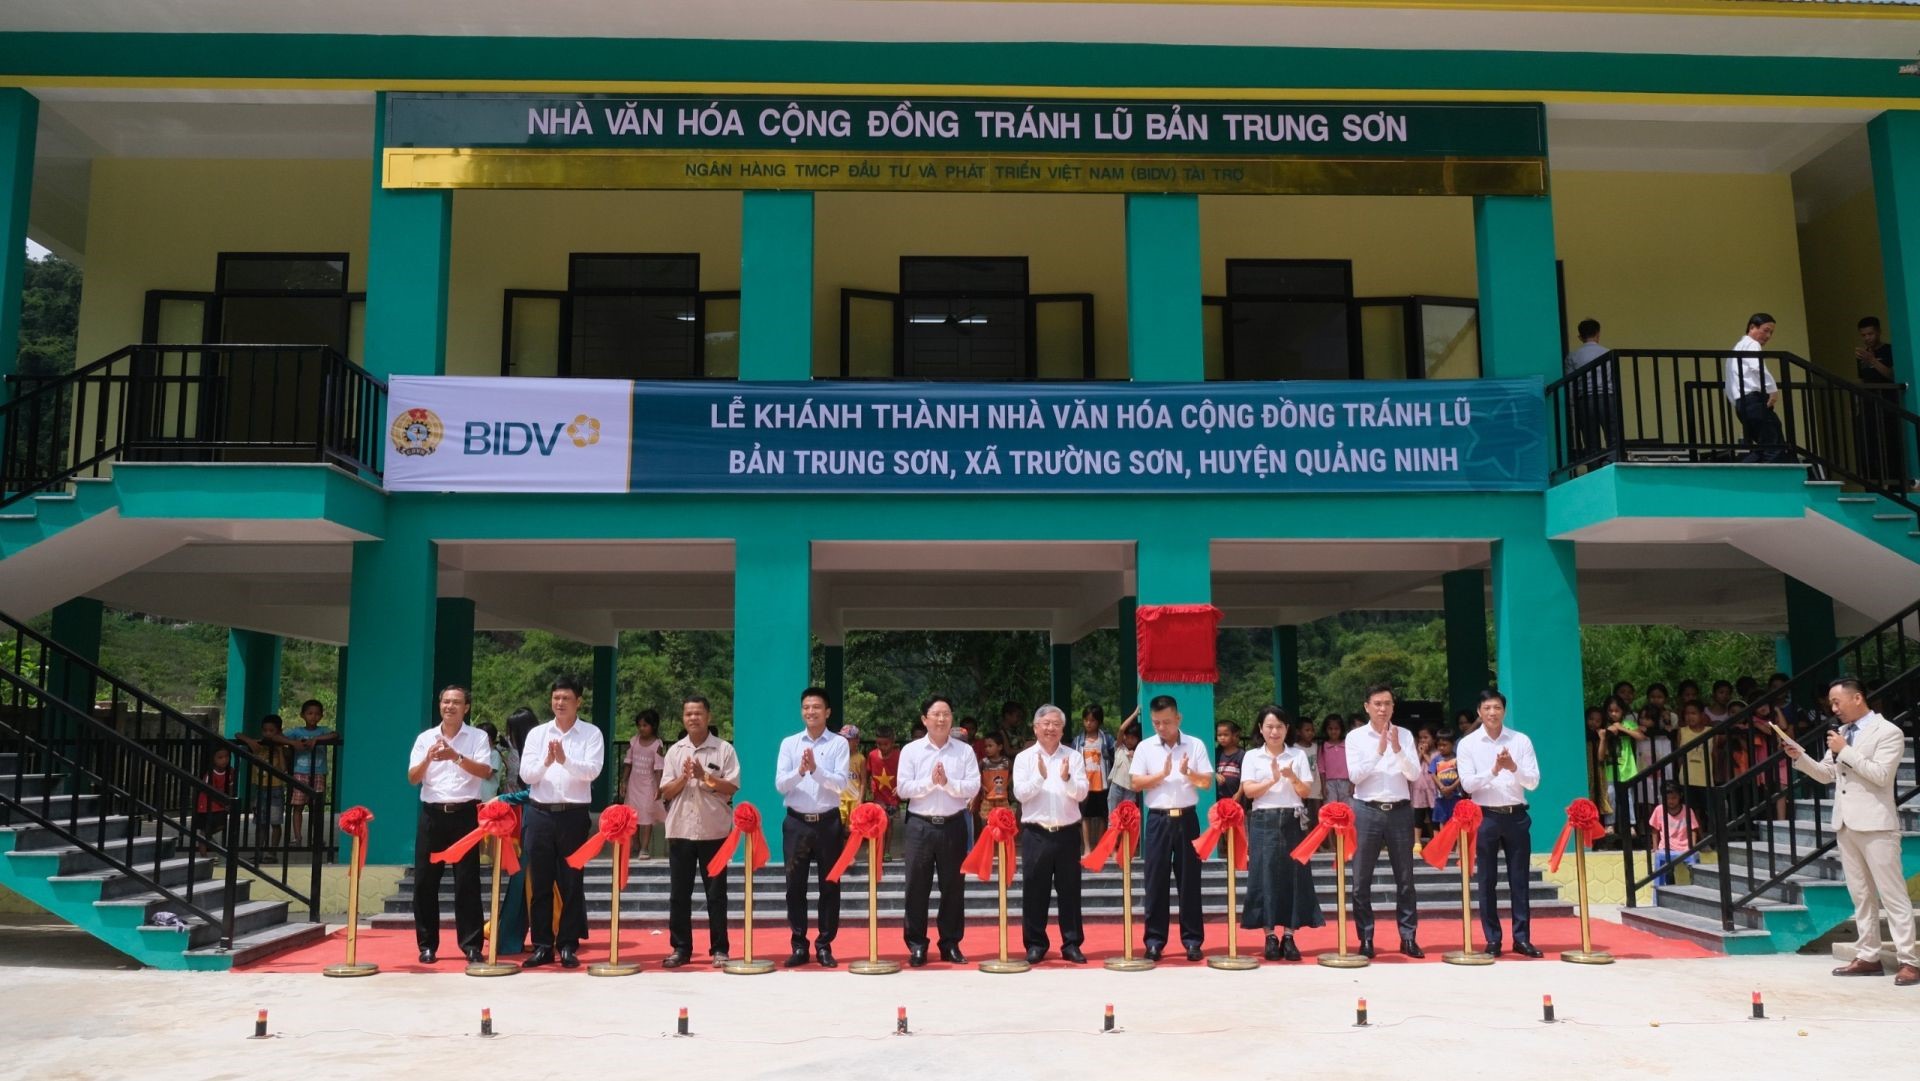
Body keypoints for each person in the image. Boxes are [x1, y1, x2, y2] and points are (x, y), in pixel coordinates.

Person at [1785, 678, 1918, 985]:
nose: (1833, 709)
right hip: (1846, 823)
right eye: (1831, 703)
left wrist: (1845, 750)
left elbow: (1881, 776)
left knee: (1893, 894)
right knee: (1861, 894)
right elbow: (1826, 774)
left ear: (1857, 698)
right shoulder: (1843, 734)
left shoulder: (1888, 732)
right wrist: (1799, 757)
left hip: (1877, 824)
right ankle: (1867, 955)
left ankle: (1909, 960)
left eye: (1836, 702)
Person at [517, 676, 604, 969]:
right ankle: (542, 944)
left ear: (578, 701)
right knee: (540, 881)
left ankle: (568, 943)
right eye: (556, 698)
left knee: (571, 881)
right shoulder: (538, 734)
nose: (560, 703)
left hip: (573, 814)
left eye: (566, 698)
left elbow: (592, 771)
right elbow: (527, 775)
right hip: (540, 813)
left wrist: (564, 759)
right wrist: (547, 761)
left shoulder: (591, 734)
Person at [407, 685, 493, 965]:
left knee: (467, 882)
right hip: (432, 815)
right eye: (445, 702)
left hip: (465, 815)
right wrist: (428, 759)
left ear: (466, 707)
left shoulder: (478, 737)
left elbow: (485, 771)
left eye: (456, 702)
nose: (449, 707)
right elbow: (412, 777)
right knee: (424, 882)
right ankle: (427, 945)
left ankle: (471, 945)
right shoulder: (425, 738)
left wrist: (455, 756)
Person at [1456, 689, 1542, 957]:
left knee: (1520, 880)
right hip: (1485, 817)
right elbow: (1468, 784)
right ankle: (1493, 939)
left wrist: (1512, 767)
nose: (1492, 713)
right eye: (1487, 708)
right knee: (1487, 879)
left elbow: (1533, 781)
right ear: (1479, 712)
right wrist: (1494, 769)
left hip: (1516, 815)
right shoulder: (1468, 744)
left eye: (1497, 708)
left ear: (1504, 711)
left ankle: (1522, 938)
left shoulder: (1520, 741)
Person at [896, 695, 981, 966]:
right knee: (916, 888)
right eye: (936, 714)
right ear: (924, 719)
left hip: (953, 825)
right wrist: (931, 783)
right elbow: (904, 789)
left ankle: (950, 943)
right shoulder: (911, 751)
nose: (942, 719)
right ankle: (917, 944)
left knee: (953, 887)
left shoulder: (964, 751)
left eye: (946, 713)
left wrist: (948, 782)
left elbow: (972, 787)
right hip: (920, 825)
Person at [1129, 694, 1214, 962]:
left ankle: (1192, 940)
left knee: (1190, 880)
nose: (1162, 727)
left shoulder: (1195, 744)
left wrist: (1189, 773)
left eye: (1166, 722)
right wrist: (1161, 776)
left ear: (1178, 718)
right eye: (1156, 723)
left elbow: (1207, 783)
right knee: (1155, 881)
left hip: (1187, 818)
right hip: (1157, 819)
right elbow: (1135, 784)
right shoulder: (1145, 747)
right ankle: (1155, 941)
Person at [658, 694, 741, 968]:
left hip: (713, 831)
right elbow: (665, 791)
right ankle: (681, 948)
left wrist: (704, 776)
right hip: (681, 829)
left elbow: (731, 787)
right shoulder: (675, 752)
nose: (693, 718)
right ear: (684, 718)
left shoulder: (723, 749)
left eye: (698, 713)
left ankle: (720, 948)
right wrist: (685, 776)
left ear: (708, 716)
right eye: (688, 714)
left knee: (716, 894)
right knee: (679, 893)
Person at [1238, 706, 1323, 961]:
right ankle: (1269, 936)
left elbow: (1306, 792)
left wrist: (1292, 776)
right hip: (1264, 819)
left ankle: (1289, 935)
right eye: (1269, 726)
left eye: (1280, 727)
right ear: (1261, 729)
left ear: (1287, 729)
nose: (1274, 732)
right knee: (1263, 875)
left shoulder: (1297, 754)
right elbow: (1249, 791)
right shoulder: (1252, 756)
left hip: (1292, 819)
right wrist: (1273, 780)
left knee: (1294, 876)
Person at [1346, 683, 1423, 958]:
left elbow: (1414, 775)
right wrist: (1379, 751)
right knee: (1360, 879)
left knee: (1405, 878)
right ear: (1367, 706)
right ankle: (1365, 938)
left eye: (1387, 703)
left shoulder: (1404, 734)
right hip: (1367, 809)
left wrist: (1398, 750)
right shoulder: (1355, 738)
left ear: (1393, 706)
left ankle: (1408, 936)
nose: (1382, 708)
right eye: (1377, 703)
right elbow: (1355, 776)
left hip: (1400, 810)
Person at [774, 687, 848, 969]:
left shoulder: (838, 744)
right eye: (806, 707)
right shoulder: (789, 744)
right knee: (795, 886)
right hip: (796, 823)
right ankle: (798, 944)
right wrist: (801, 771)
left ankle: (825, 945)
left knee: (830, 885)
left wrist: (816, 770)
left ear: (827, 712)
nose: (811, 712)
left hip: (828, 822)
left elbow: (841, 784)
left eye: (816, 707)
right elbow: (781, 785)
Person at [1013, 704, 1089, 964]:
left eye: (1056, 724)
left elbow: (1082, 793)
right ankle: (1035, 944)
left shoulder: (1074, 757)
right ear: (1035, 727)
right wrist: (1039, 778)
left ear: (1063, 728)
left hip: (1067, 833)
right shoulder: (1024, 758)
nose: (1050, 728)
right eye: (1045, 723)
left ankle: (1071, 944)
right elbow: (1020, 794)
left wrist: (1067, 778)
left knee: (1070, 891)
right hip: (1036, 833)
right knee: (1035, 891)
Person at [1852, 316, 1907, 488]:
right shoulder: (1862, 356)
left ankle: (1896, 485)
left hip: (1888, 404)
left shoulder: (1889, 351)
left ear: (1878, 332)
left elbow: (1892, 375)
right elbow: (1862, 380)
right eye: (1864, 335)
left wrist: (1873, 360)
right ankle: (1872, 484)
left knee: (1891, 444)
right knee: (1869, 445)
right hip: (1868, 405)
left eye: (1870, 334)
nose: (1867, 338)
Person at [1725, 312, 1787, 463]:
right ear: (1752, 327)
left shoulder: (1737, 348)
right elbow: (1757, 367)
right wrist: (1772, 390)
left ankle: (1741, 473)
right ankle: (1773, 481)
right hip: (1753, 400)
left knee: (1764, 445)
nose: (1768, 336)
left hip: (1742, 404)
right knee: (1773, 444)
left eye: (1771, 332)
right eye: (1765, 330)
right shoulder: (1752, 344)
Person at [283, 699, 339, 846]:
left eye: (317, 714)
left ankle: (317, 837)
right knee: (298, 806)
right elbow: (278, 736)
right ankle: (297, 837)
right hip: (299, 772)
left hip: (318, 773)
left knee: (317, 808)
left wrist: (316, 739)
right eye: (310, 713)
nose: (313, 717)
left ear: (321, 716)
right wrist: (293, 743)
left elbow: (335, 734)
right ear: (302, 715)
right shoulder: (296, 732)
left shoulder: (323, 731)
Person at [616, 709, 667, 859]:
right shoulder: (633, 741)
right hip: (634, 785)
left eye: (645, 725)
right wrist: (624, 781)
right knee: (632, 816)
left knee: (646, 817)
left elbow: (658, 768)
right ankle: (635, 843)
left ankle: (644, 848)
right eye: (639, 725)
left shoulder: (657, 745)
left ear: (653, 726)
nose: (641, 728)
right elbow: (628, 763)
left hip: (648, 785)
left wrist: (659, 787)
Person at [1564, 317, 1615, 459]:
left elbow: (1570, 383)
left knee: (1591, 440)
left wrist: (1572, 404)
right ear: (1598, 333)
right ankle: (1611, 462)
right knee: (1613, 437)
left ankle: (1593, 468)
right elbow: (1613, 378)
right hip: (1607, 397)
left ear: (1580, 337)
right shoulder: (1608, 353)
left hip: (1584, 400)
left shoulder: (1573, 356)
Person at [235, 714, 288, 847]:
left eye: (272, 731)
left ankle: (272, 851)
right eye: (265, 730)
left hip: (275, 789)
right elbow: (238, 734)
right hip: (260, 789)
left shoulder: (280, 748)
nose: (267, 734)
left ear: (279, 732)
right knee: (260, 823)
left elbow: (282, 770)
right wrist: (249, 741)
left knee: (275, 823)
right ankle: (258, 851)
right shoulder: (258, 745)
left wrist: (280, 749)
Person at [1072, 705, 1114, 855]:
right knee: (1085, 817)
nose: (1089, 723)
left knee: (1103, 815)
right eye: (1086, 720)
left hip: (1102, 783)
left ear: (1099, 722)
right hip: (1085, 784)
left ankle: (1101, 847)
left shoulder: (1106, 739)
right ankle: (1088, 848)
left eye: (1092, 721)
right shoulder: (1078, 741)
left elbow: (1113, 756)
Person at [1647, 783, 1701, 887]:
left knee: (1692, 868)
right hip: (1666, 847)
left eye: (1674, 798)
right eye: (1668, 798)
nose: (1671, 801)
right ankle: (1668, 890)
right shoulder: (1659, 810)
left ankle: (1696, 887)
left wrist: (1692, 846)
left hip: (1684, 847)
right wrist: (1655, 847)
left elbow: (1693, 829)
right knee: (1667, 870)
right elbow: (1654, 830)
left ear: (1680, 796)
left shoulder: (1687, 810)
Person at [867, 729, 902, 860]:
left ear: (893, 742)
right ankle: (876, 850)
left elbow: (905, 773)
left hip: (893, 797)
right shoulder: (872, 755)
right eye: (879, 744)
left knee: (889, 824)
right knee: (877, 824)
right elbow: (868, 774)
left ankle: (886, 851)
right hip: (878, 797)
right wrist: (871, 792)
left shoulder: (899, 755)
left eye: (885, 744)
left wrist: (901, 787)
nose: (882, 747)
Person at [195, 744, 235, 855]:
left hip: (220, 804)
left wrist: (229, 800)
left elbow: (231, 786)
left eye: (226, 757)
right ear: (213, 759)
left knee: (221, 825)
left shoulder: (230, 771)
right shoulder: (211, 774)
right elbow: (211, 792)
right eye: (220, 758)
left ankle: (206, 838)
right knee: (207, 828)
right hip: (207, 804)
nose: (224, 760)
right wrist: (224, 802)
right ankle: (204, 855)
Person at [1108, 714, 1142, 818]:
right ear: (1124, 737)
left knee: (1128, 820)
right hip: (1116, 786)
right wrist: (1135, 713)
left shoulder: (1140, 753)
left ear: (1137, 740)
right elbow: (1122, 728)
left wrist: (1135, 756)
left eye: (1133, 738)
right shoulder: (1119, 748)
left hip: (1130, 790)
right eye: (1128, 737)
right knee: (1113, 819)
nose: (1130, 740)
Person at [1411, 726, 1438, 848]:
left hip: (1432, 788)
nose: (1423, 740)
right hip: (1419, 789)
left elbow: (1434, 767)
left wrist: (1425, 754)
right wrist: (1420, 754)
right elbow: (1413, 766)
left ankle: (1436, 839)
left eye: (1426, 737)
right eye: (1420, 738)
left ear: (1433, 738)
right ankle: (1417, 841)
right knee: (1418, 814)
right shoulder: (1416, 753)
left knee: (1433, 815)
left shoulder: (1437, 753)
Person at [976, 732, 1014, 816]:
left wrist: (1006, 784)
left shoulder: (1006, 762)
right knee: (986, 820)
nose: (987, 749)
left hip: (1002, 798)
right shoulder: (983, 762)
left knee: (1003, 818)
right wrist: (982, 786)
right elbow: (975, 776)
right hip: (987, 798)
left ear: (1000, 747)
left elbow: (1013, 773)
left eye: (990, 746)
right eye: (985, 746)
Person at [1318, 714, 1351, 805]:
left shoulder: (1347, 744)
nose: (1333, 731)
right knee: (1331, 810)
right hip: (1329, 784)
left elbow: (1353, 765)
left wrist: (1352, 784)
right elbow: (1321, 768)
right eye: (1330, 729)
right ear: (1326, 730)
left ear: (1341, 729)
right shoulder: (1323, 746)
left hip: (1346, 782)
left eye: (1336, 729)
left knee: (1347, 810)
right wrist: (1323, 786)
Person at [1214, 721, 1245, 804]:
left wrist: (1239, 793)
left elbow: (1245, 778)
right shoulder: (1215, 753)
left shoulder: (1242, 755)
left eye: (1226, 735)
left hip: (1236, 798)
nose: (1222, 738)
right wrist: (1215, 775)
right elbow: (1208, 770)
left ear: (1234, 736)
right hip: (1219, 799)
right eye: (1219, 735)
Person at [475, 722, 503, 802]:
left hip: (487, 797)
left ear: (488, 738)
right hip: (476, 796)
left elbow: (488, 775)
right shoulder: (478, 753)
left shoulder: (494, 754)